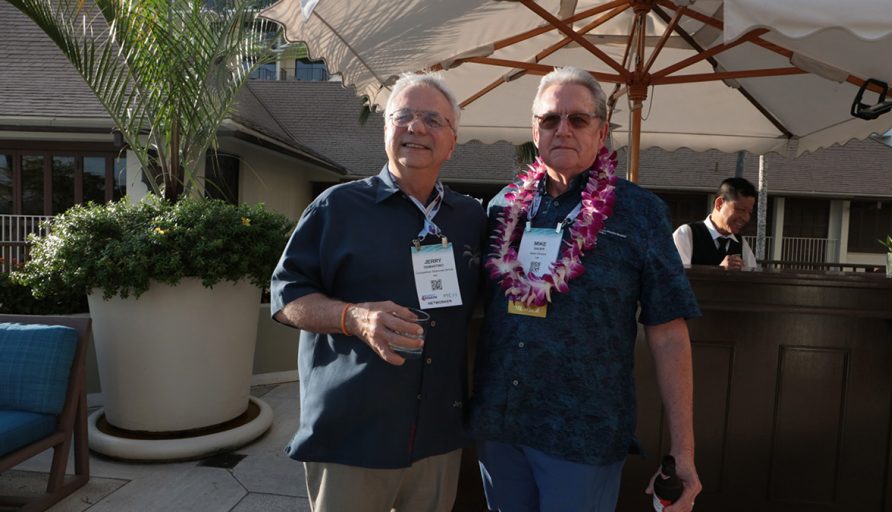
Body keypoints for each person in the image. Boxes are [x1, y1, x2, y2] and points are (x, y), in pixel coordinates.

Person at [469, 66, 702, 512]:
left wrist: (684, 453)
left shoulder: (640, 212)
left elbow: (669, 333)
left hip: (582, 436)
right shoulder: (501, 209)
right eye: (550, 119)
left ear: (602, 131)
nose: (563, 130)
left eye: (578, 119)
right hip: (501, 427)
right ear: (533, 131)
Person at [270, 72, 487, 512]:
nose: (416, 128)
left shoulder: (471, 219)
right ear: (386, 129)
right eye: (402, 116)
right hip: (352, 434)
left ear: (452, 141)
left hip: (437, 438)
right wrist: (353, 317)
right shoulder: (336, 207)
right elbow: (287, 297)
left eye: (432, 119)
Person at [672, 177, 758, 270]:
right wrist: (719, 270)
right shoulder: (686, 234)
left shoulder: (741, 243)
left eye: (749, 212)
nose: (746, 218)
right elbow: (677, 279)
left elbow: (753, 280)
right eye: (741, 210)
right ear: (719, 203)